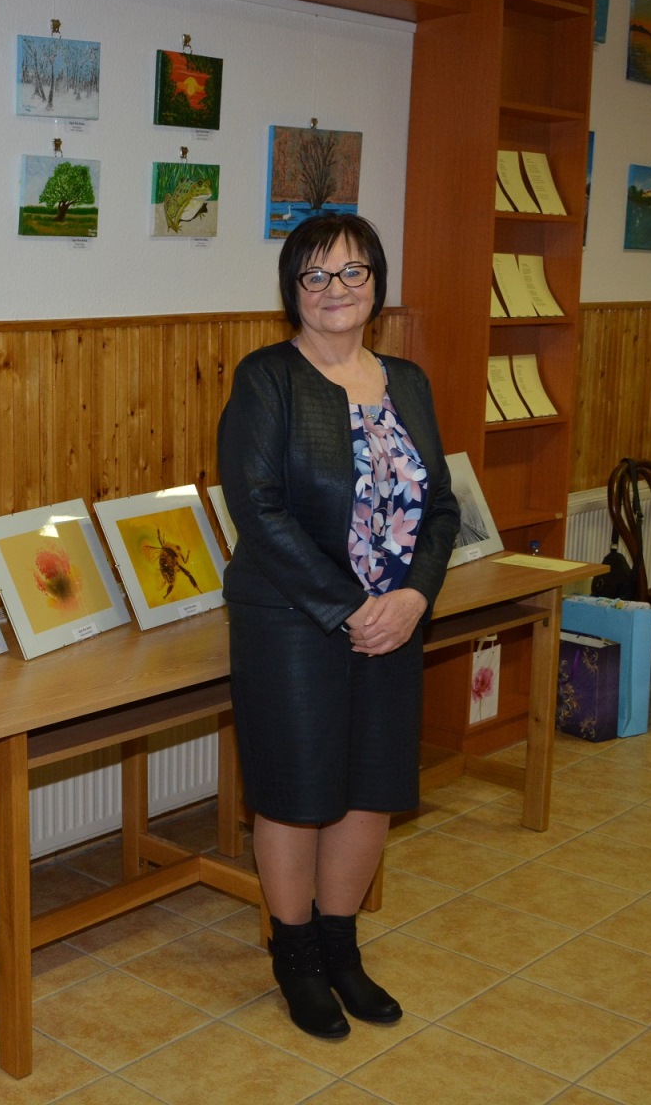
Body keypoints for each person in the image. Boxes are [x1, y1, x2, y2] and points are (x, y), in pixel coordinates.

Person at [216, 213, 459, 1039]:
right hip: (293, 619)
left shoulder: (408, 381)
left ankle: (341, 949)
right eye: (315, 275)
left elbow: (440, 507)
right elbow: (259, 508)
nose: (335, 290)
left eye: (353, 272)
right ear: (293, 290)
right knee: (296, 790)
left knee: (370, 784)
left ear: (377, 284)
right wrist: (349, 606)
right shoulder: (268, 379)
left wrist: (414, 599)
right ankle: (294, 959)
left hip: (395, 619)